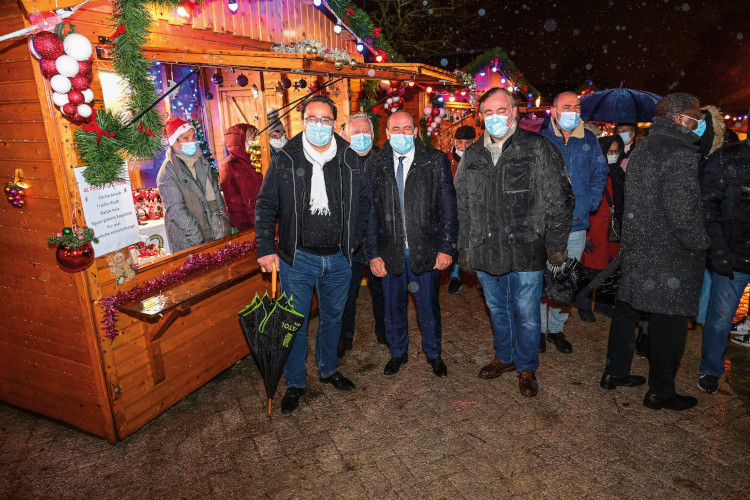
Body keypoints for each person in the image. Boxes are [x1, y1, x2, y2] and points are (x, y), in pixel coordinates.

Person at [254, 95, 369, 415]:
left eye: (325, 120)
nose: (319, 126)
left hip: (339, 259)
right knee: (295, 322)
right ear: (303, 122)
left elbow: (363, 203)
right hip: (298, 259)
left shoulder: (349, 157)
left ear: (335, 123)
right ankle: (295, 382)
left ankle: (328, 368)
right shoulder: (287, 157)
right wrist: (265, 248)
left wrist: (354, 242)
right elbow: (265, 205)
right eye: (312, 119)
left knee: (333, 317)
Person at [455, 87, 573, 397]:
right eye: (488, 112)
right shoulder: (472, 154)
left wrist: (556, 245)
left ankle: (526, 366)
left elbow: (559, 199)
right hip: (485, 247)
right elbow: (463, 204)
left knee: (528, 312)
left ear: (514, 112)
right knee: (497, 308)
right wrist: (464, 245)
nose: (495, 117)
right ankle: (504, 357)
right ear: (482, 117)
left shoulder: (537, 149)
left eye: (501, 110)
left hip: (525, 248)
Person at [605, 93, 710, 410]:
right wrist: (701, 242)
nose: (699, 123)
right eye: (696, 117)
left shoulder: (644, 147)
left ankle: (615, 373)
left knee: (626, 310)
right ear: (680, 119)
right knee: (670, 322)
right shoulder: (679, 153)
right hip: (668, 254)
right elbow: (682, 214)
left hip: (639, 247)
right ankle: (661, 392)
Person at [365, 110, 458, 378]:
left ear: (416, 131)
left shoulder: (434, 161)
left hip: (426, 250)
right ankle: (397, 353)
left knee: (428, 306)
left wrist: (446, 248)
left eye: (407, 129)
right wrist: (373, 254)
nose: (402, 134)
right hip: (390, 251)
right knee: (393, 308)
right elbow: (369, 212)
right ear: (386, 133)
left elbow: (448, 209)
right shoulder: (376, 164)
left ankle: (433, 353)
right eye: (396, 129)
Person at [539, 91, 608, 354]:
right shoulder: (541, 140)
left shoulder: (588, 139)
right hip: (545, 224)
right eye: (566, 107)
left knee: (565, 279)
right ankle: (537, 330)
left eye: (576, 107)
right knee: (541, 278)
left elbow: (600, 173)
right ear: (554, 111)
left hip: (577, 224)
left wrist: (590, 202)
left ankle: (556, 329)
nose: (573, 112)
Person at [697, 132, 750, 391]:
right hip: (732, 256)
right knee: (720, 319)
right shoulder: (728, 157)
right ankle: (710, 368)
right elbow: (707, 206)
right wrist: (718, 252)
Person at [338, 113, 387, 358]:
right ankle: (344, 338)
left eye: (365, 132)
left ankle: (384, 332)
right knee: (347, 294)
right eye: (355, 132)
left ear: (373, 134)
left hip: (379, 239)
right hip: (351, 241)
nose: (360, 136)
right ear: (346, 136)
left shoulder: (383, 160)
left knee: (382, 291)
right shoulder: (339, 162)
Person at [157, 117, 230, 253]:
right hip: (189, 241)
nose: (192, 141)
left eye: (193, 136)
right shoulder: (168, 171)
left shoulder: (202, 162)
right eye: (186, 138)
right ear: (175, 143)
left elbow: (215, 193)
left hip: (214, 232)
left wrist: (222, 222)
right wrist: (197, 239)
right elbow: (176, 210)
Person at [575, 135, 626, 323]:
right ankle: (583, 303)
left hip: (613, 230)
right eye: (609, 151)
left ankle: (604, 304)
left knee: (610, 268)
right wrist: (585, 234)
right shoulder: (593, 173)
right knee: (590, 268)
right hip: (595, 227)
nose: (612, 155)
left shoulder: (620, 174)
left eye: (616, 151)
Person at [447, 125, 477, 294]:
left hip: (473, 210)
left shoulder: (479, 159)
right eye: (460, 142)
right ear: (454, 141)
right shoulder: (446, 159)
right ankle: (455, 276)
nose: (464, 146)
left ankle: (480, 276)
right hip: (453, 210)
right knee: (456, 244)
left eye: (468, 142)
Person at [218, 123, 263, 232]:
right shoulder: (229, 166)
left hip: (263, 220)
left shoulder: (255, 160)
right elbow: (233, 205)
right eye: (252, 137)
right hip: (247, 225)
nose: (255, 141)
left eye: (256, 137)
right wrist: (247, 229)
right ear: (240, 140)